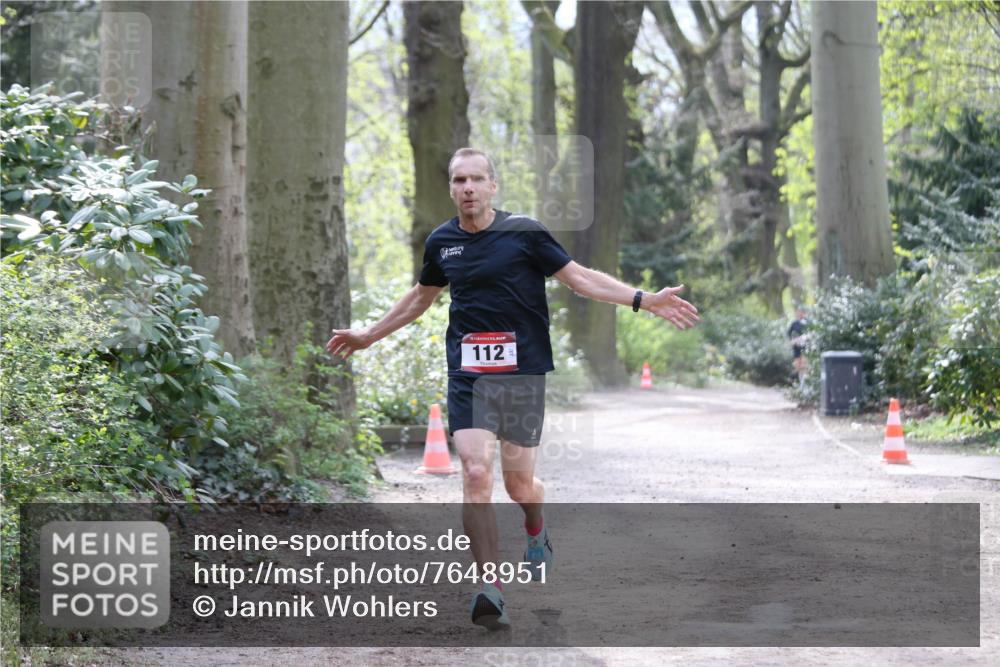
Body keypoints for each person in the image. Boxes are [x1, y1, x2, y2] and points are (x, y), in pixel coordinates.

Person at [326, 147, 699, 631]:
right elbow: (421, 297)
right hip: (470, 375)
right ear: (451, 188)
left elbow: (579, 279)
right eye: (459, 180)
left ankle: (535, 526)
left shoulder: (524, 233)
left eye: (477, 179)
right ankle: (490, 588)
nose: (468, 188)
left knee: (520, 484)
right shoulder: (442, 242)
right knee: (476, 471)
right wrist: (368, 334)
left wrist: (643, 300)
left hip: (522, 375)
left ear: (493, 186)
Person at [788, 305, 809, 387]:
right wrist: (793, 341)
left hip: (806, 347)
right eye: (798, 312)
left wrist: (804, 338)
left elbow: (811, 334)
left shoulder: (808, 322)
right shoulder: (794, 323)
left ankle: (803, 384)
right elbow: (789, 334)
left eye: (801, 312)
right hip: (796, 348)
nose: (799, 314)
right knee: (797, 366)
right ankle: (797, 382)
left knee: (804, 365)